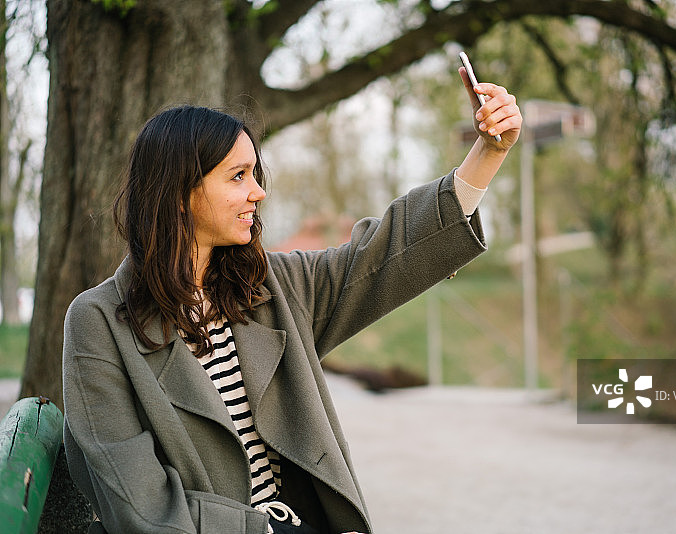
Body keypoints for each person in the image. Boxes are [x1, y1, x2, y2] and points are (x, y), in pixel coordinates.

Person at [62, 65, 522, 534]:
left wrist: (488, 152)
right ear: (179, 191)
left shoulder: (270, 288)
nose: (258, 192)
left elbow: (382, 256)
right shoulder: (99, 323)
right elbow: (140, 505)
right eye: (238, 176)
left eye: (254, 174)